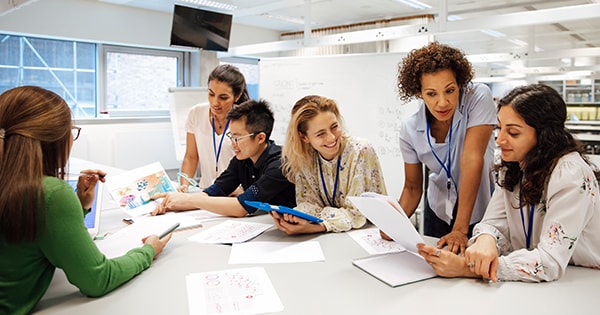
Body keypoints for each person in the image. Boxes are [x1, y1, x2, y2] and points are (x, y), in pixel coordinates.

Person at [0, 86, 172, 314]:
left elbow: (30, 236)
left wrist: (80, 204)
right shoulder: (49, 193)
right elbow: (97, 279)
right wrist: (148, 251)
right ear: (54, 140)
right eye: (71, 131)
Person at [418, 83, 600, 282]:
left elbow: (549, 262)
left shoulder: (570, 174)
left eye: (513, 133)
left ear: (544, 136)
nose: (499, 140)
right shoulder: (514, 166)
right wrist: (486, 240)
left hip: (583, 280)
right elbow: (493, 222)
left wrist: (466, 268)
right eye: (499, 128)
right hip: (536, 280)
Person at [396, 41, 497, 253]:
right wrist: (394, 224)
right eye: (431, 94)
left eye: (450, 90)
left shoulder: (477, 97)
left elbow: (472, 158)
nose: (442, 103)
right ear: (419, 93)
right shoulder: (410, 129)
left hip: (479, 211)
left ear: (459, 84)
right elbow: (413, 188)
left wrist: (460, 230)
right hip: (438, 211)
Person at [151, 99, 295, 217]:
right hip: (267, 223)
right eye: (231, 136)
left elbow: (242, 207)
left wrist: (189, 199)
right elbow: (213, 192)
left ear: (260, 138)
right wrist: (170, 203)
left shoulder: (279, 164)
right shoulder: (242, 159)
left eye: (238, 138)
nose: (233, 144)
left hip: (295, 232)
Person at [272, 95, 387, 235]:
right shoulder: (304, 157)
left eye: (334, 127)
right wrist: (294, 216)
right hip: (329, 236)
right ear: (304, 137)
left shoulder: (360, 151)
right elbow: (309, 204)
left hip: (367, 234)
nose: (331, 138)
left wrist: (316, 226)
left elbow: (356, 214)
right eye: (320, 134)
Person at [179, 64, 250, 191]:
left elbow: (251, 163)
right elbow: (191, 157)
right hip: (205, 191)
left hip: (234, 193)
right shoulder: (196, 113)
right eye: (211, 94)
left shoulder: (246, 120)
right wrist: (184, 185)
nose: (215, 102)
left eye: (223, 97)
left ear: (237, 96)